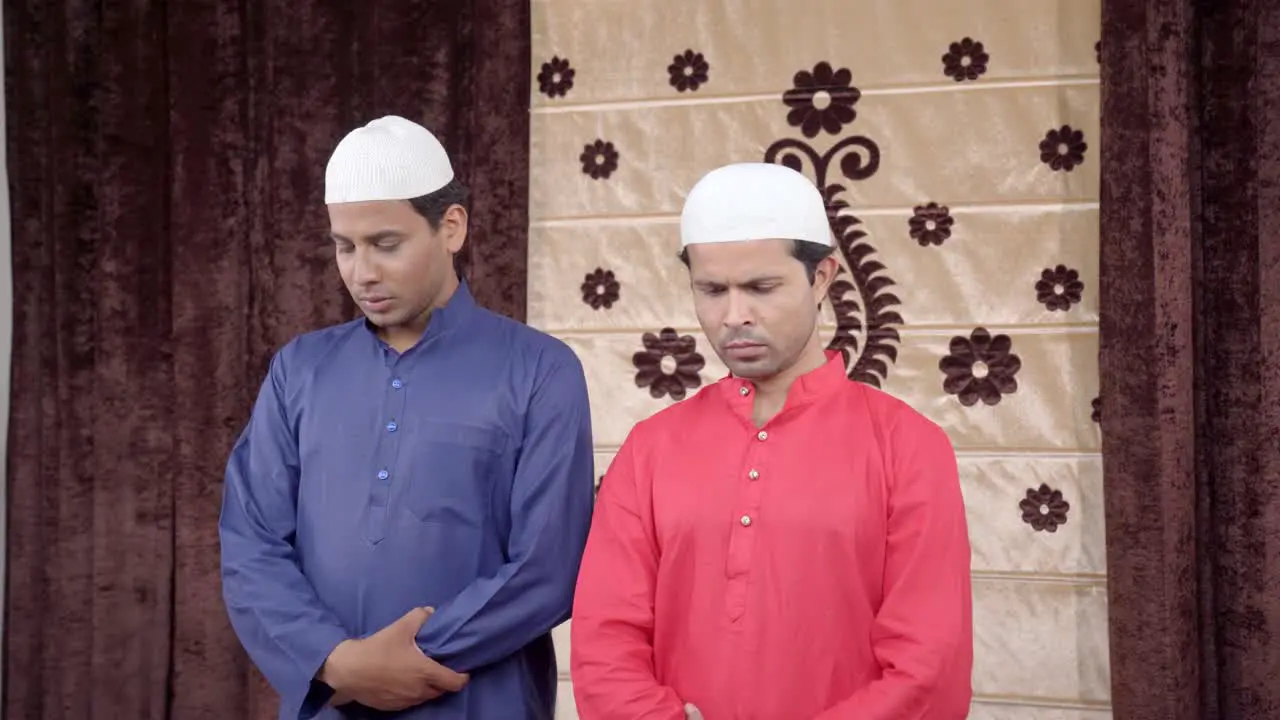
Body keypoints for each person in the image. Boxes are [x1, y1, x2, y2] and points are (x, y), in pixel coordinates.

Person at [220, 115, 596, 720]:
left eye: (385, 244)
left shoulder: (540, 370)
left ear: (451, 226)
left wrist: (402, 663)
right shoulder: (301, 369)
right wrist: (336, 663)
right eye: (345, 246)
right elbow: (251, 542)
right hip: (331, 703)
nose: (361, 271)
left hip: (480, 702)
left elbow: (547, 566)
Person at [568, 162, 973, 719]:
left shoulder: (907, 446)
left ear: (823, 277)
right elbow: (605, 637)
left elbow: (930, 665)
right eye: (711, 290)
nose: (734, 316)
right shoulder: (651, 448)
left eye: (761, 287)